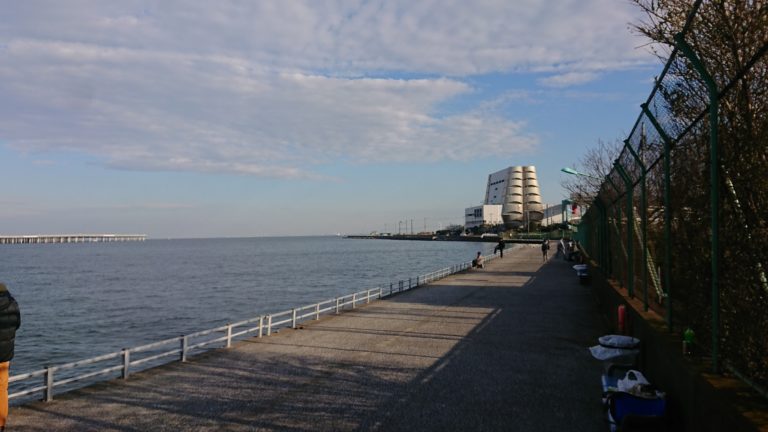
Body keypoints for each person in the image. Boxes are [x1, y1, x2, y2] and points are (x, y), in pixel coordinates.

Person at [0, 283, 20, 432]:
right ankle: (1, 424)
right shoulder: (13, 305)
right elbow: (17, 325)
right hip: (5, 355)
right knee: (2, 390)